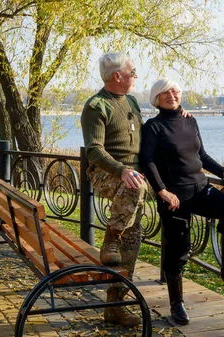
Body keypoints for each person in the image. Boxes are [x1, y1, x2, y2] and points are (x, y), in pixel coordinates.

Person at [139, 78, 224, 325]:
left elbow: (201, 155)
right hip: (175, 197)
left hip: (200, 189)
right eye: (165, 92)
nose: (172, 95)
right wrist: (162, 191)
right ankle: (177, 304)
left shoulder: (190, 120)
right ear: (156, 98)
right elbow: (148, 161)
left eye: (175, 91)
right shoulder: (153, 128)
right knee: (178, 251)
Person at [81, 52, 147, 327]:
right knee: (133, 188)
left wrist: (177, 114)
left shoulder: (131, 101)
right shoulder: (96, 106)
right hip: (106, 173)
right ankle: (110, 238)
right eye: (132, 72)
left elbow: (146, 131)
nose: (135, 76)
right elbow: (94, 151)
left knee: (132, 241)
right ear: (117, 76)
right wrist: (122, 171)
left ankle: (115, 307)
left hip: (134, 178)